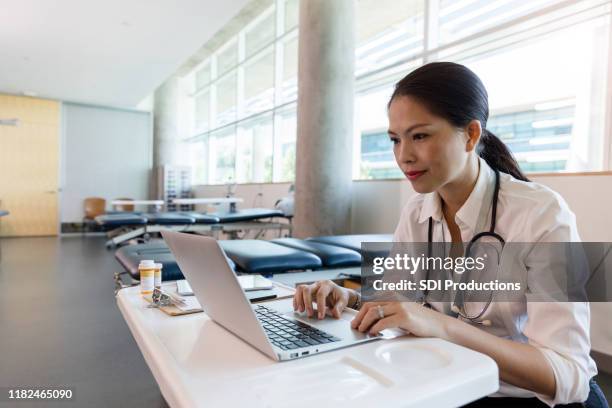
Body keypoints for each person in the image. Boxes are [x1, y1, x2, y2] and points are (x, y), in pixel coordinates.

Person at [292, 62, 607, 407]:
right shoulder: (417, 211)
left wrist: (441, 325)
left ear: (471, 135)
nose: (403, 156)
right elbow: (398, 298)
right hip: (454, 381)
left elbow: (568, 374)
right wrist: (348, 298)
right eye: (395, 140)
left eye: (420, 136)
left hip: (528, 396)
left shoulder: (540, 213)